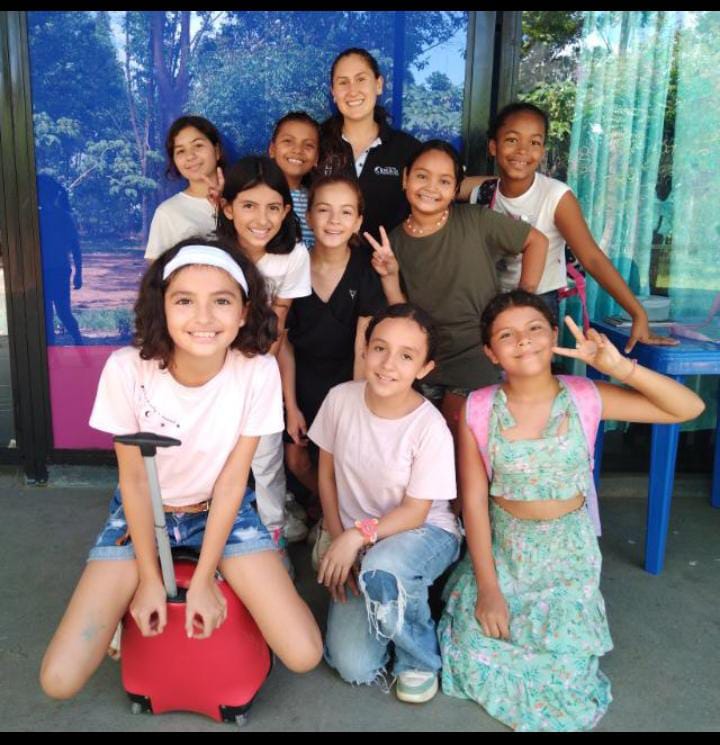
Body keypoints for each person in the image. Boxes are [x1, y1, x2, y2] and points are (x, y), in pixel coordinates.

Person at [40, 239, 323, 701]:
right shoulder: (127, 369)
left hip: (220, 511)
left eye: (222, 301)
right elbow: (134, 481)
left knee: (304, 653)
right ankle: (125, 606)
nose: (204, 317)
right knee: (59, 680)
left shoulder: (257, 371)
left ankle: (236, 601)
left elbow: (233, 482)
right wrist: (150, 581)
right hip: (142, 512)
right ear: (162, 307)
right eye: (185, 300)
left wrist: (206, 580)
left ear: (244, 312)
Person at [438, 289, 705, 732]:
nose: (523, 340)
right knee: (474, 650)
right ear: (490, 352)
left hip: (568, 558)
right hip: (506, 553)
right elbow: (475, 503)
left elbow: (689, 408)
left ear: (553, 335)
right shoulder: (478, 407)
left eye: (534, 329)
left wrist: (620, 368)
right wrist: (488, 588)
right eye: (506, 335)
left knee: (566, 687)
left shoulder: (585, 396)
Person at [308, 303, 461, 704]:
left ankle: (418, 659)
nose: (388, 364)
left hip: (423, 532)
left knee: (384, 567)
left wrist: (355, 537)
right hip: (361, 540)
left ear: (424, 368)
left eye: (406, 356)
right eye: (380, 348)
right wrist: (338, 538)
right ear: (365, 349)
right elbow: (326, 477)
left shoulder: (429, 428)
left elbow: (415, 512)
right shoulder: (340, 399)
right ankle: (399, 600)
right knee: (354, 666)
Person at [459, 102, 679, 353]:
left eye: (534, 142)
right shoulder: (483, 191)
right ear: (493, 146)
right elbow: (443, 186)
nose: (522, 151)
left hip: (538, 301)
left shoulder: (556, 196)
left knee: (527, 370)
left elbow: (592, 258)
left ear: (543, 151)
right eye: (511, 140)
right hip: (490, 300)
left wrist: (637, 313)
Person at [367, 139, 548, 438]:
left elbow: (536, 241)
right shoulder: (393, 241)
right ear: (405, 179)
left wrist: (522, 303)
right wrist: (389, 275)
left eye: (444, 181)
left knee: (460, 431)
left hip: (476, 355)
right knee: (419, 439)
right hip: (424, 363)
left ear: (455, 190)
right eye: (422, 176)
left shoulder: (476, 220)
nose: (431, 187)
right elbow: (402, 316)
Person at [217, 156, 311, 564]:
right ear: (227, 208)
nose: (262, 219)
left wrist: (257, 378)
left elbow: (278, 327)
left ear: (287, 210)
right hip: (210, 378)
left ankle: (273, 544)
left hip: (260, 375)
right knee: (218, 462)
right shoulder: (212, 253)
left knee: (268, 463)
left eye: (273, 207)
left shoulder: (293, 256)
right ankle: (216, 541)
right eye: (249, 206)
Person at [283, 175, 388, 536]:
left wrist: (355, 405)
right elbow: (284, 344)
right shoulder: (294, 265)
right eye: (324, 210)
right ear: (309, 216)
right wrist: (291, 407)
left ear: (358, 221)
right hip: (301, 382)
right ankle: (320, 505)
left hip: (347, 380)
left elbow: (363, 345)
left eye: (345, 212)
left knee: (345, 459)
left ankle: (335, 517)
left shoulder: (365, 268)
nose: (334, 221)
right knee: (296, 460)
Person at [317, 47, 421, 240]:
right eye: (343, 82)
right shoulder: (315, 144)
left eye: (361, 79)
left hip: (390, 259)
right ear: (333, 92)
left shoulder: (407, 149)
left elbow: (439, 186)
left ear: (378, 84)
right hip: (324, 259)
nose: (352, 90)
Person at [144, 116, 226, 261]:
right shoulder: (167, 213)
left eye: (198, 146)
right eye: (181, 151)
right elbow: (157, 271)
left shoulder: (243, 200)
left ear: (217, 151)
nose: (190, 156)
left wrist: (225, 206)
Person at [268, 111, 320, 249]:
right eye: (288, 141)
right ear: (272, 149)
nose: (298, 150)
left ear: (316, 158)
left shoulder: (318, 201)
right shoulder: (256, 194)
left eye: (308, 145)